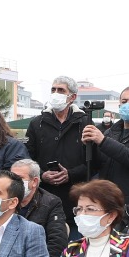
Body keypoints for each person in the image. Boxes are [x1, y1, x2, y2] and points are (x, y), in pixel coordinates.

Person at [24, 76, 91, 213]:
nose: (56, 93)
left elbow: (94, 161)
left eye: (61, 90)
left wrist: (70, 174)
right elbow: (27, 157)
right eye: (53, 89)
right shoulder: (37, 123)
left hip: (75, 195)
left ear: (72, 97)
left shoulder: (84, 122)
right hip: (43, 195)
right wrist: (42, 175)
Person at [9, 160, 68, 257]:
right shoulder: (4, 200)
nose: (13, 183)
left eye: (19, 178)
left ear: (34, 182)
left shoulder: (51, 203)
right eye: (12, 178)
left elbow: (56, 244)